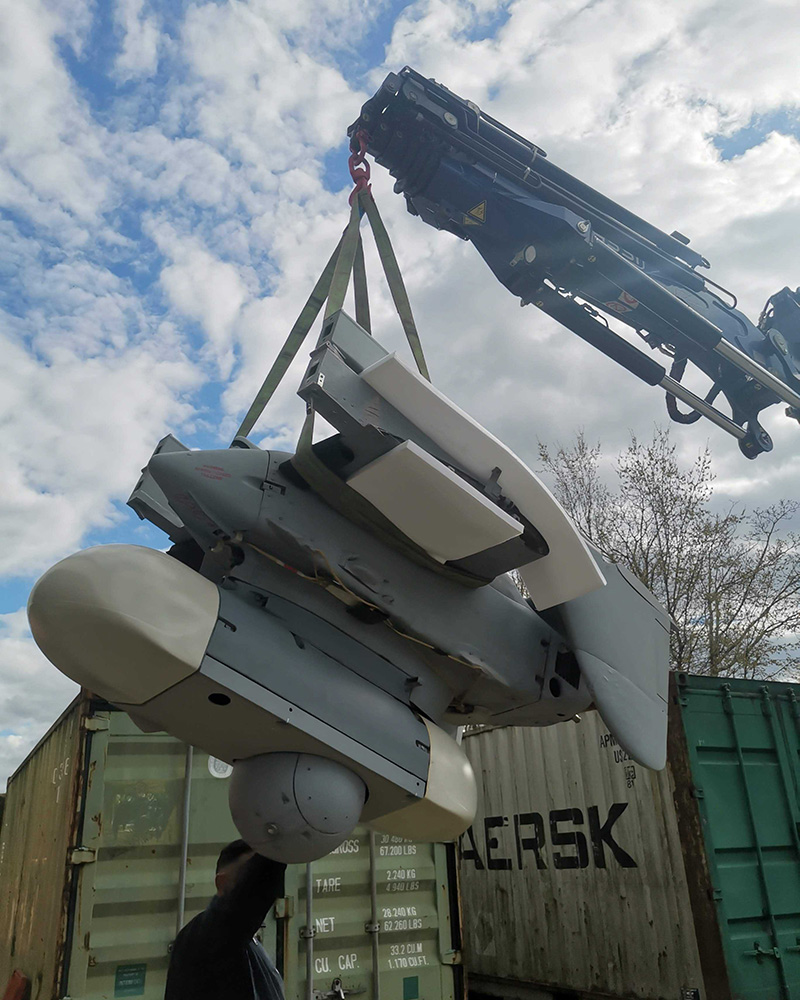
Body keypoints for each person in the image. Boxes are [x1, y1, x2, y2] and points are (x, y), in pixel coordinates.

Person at [165, 839, 287, 1000]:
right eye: (250, 873)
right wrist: (282, 840)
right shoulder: (206, 936)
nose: (261, 880)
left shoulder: (247, 942)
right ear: (221, 883)